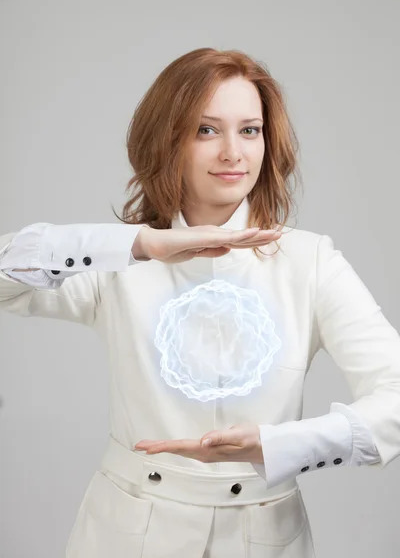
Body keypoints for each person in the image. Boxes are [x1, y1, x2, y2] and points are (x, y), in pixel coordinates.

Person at [1, 48, 399, 558]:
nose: (233, 152)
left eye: (250, 130)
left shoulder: (311, 261)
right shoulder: (115, 260)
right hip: (128, 530)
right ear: (166, 141)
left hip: (265, 535)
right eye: (206, 130)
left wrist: (284, 445)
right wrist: (139, 244)